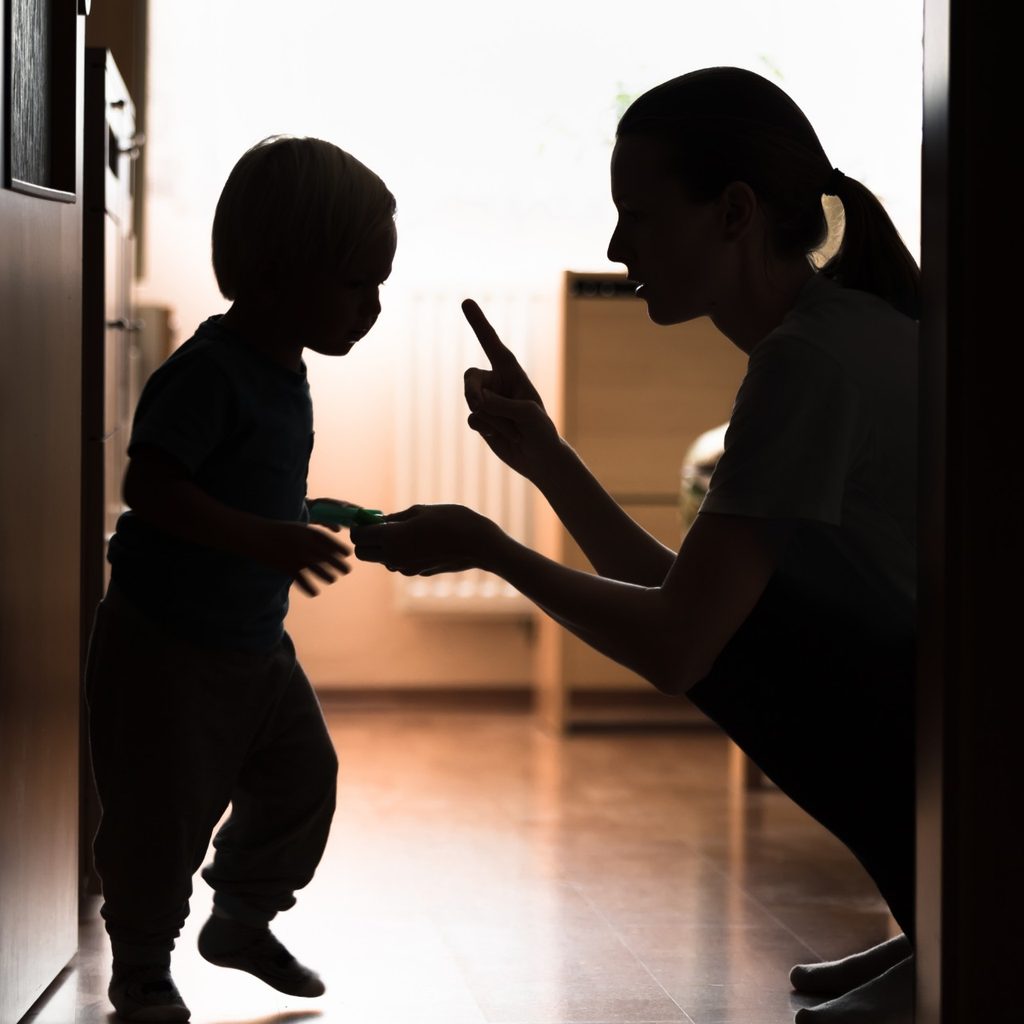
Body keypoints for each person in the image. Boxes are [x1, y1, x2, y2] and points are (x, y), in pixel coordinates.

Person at [352, 67, 918, 1024]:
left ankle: (954, 938)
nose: (616, 246)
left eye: (639, 215)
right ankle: (937, 925)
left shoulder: (807, 364)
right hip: (937, 687)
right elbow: (695, 601)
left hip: (957, 713)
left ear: (734, 212)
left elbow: (676, 645)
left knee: (746, 651)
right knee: (750, 627)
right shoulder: (837, 331)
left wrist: (494, 547)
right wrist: (548, 460)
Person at [85, 135, 396, 1022]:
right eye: (357, 282)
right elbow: (150, 487)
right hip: (168, 649)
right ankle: (143, 963)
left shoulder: (281, 368)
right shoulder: (207, 370)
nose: (373, 305)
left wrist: (304, 513)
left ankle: (242, 918)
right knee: (160, 819)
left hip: (255, 646)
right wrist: (266, 539)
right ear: (274, 273)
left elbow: (239, 483)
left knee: (304, 782)